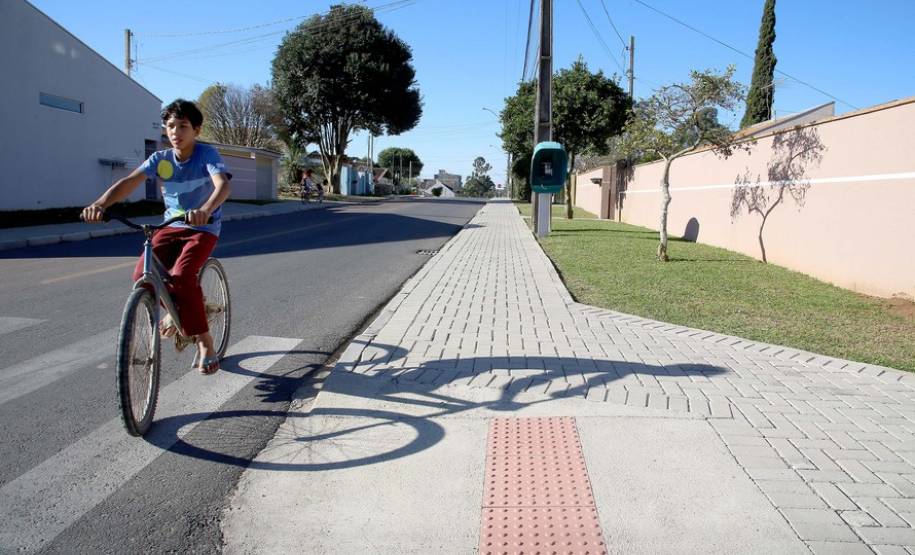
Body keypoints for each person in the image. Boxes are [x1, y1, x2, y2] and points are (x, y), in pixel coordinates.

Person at [82, 99, 231, 375]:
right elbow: (128, 183)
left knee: (182, 276)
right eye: (171, 126)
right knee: (142, 273)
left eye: (183, 126)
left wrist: (205, 210)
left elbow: (222, 185)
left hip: (202, 227)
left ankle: (204, 341)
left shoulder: (206, 154)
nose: (175, 132)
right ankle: (181, 311)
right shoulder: (160, 160)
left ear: (196, 130)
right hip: (170, 226)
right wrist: (101, 204)